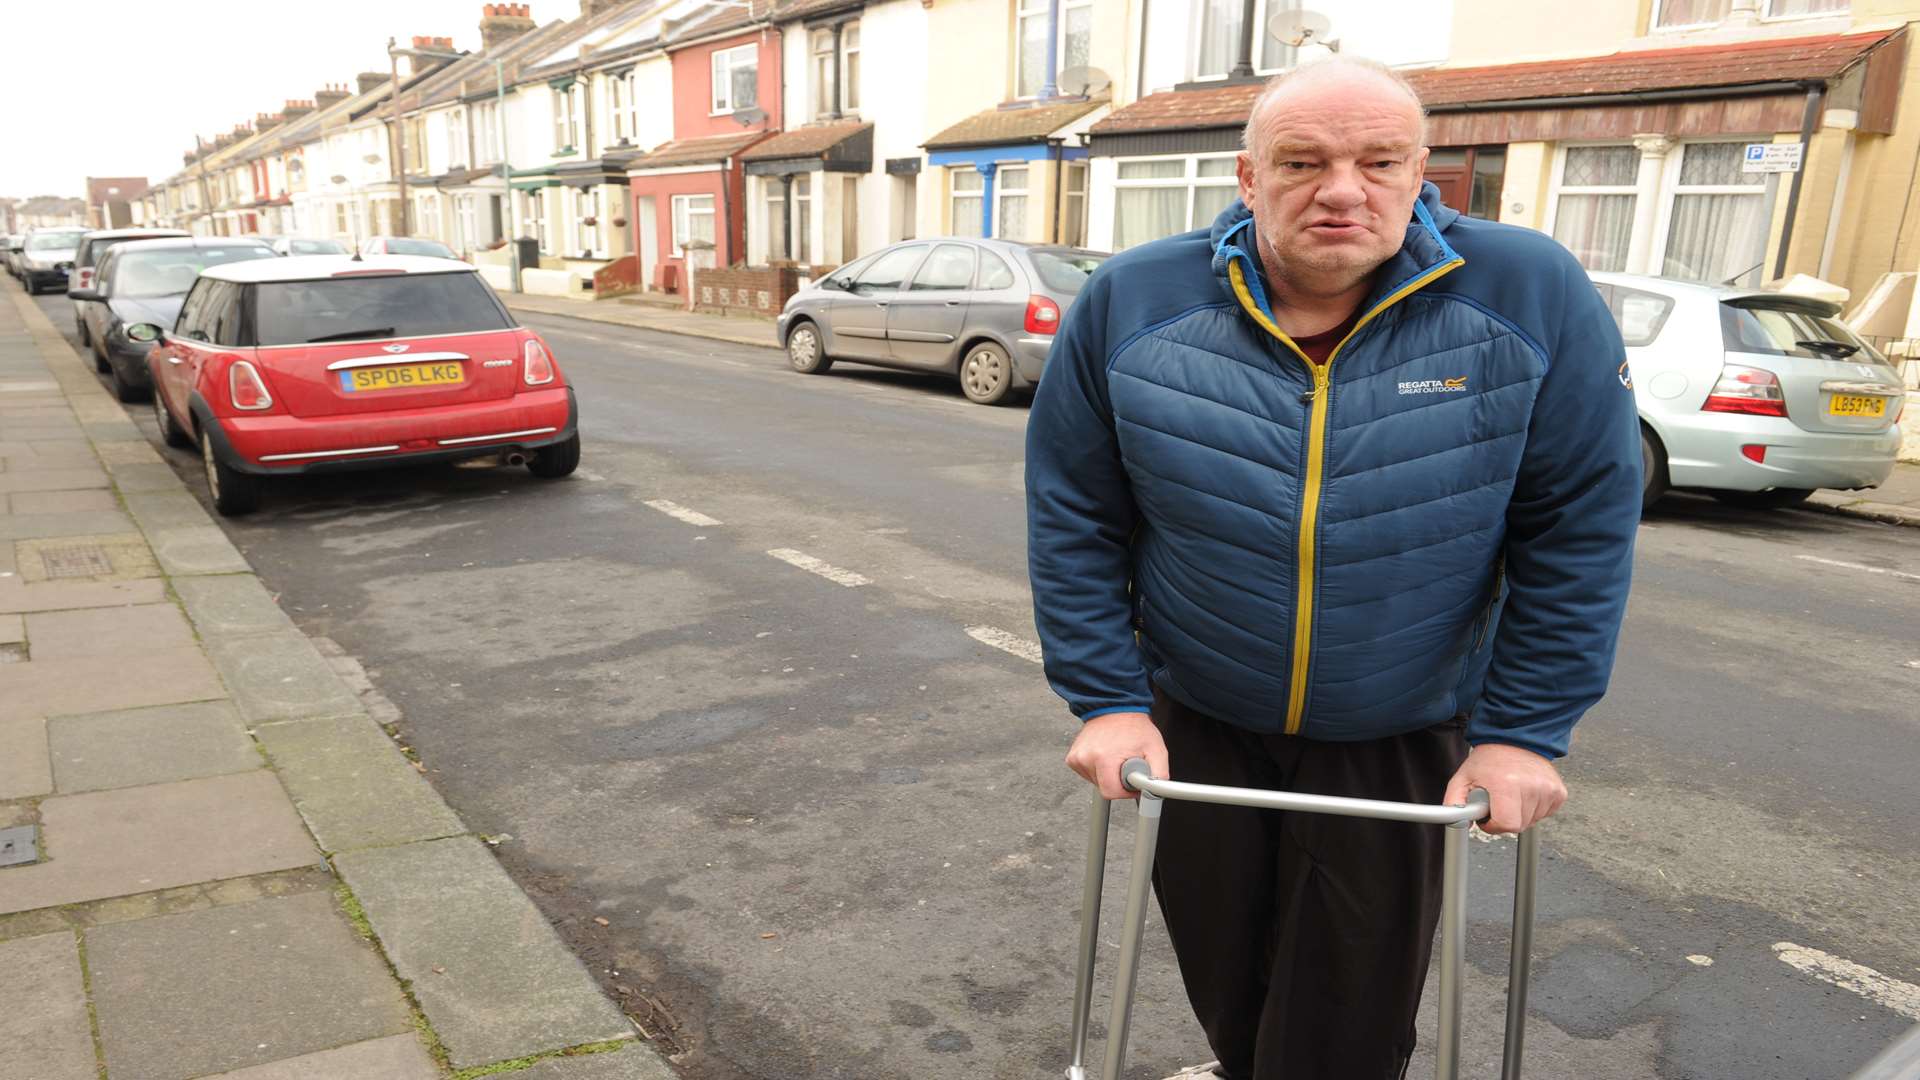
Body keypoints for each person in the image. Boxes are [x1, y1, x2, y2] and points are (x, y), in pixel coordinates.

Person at [1025, 57, 1640, 1080]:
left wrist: (1523, 734)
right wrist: (1107, 699)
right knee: (1232, 989)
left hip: (1396, 733)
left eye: (1377, 161)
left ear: (1421, 171)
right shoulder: (1135, 299)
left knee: (1342, 1028)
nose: (1341, 189)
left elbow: (1576, 525)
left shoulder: (1529, 293)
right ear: (1248, 174)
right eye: (1302, 161)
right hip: (1200, 720)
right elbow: (1076, 515)